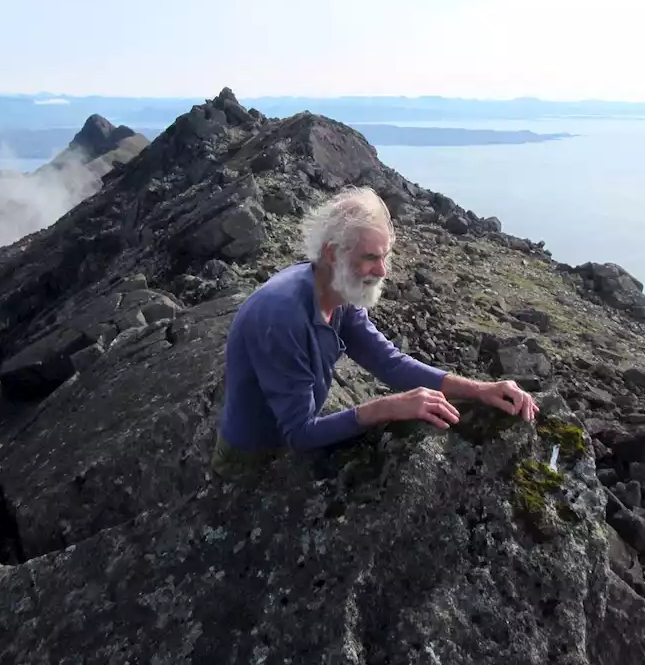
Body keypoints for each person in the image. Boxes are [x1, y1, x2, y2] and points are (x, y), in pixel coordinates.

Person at [212, 185, 538, 478]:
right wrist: (386, 407)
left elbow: (388, 362)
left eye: (384, 256)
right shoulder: (281, 315)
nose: (381, 270)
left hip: (291, 435)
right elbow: (299, 433)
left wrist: (479, 390)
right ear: (331, 252)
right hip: (251, 459)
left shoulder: (339, 292)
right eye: (369, 257)